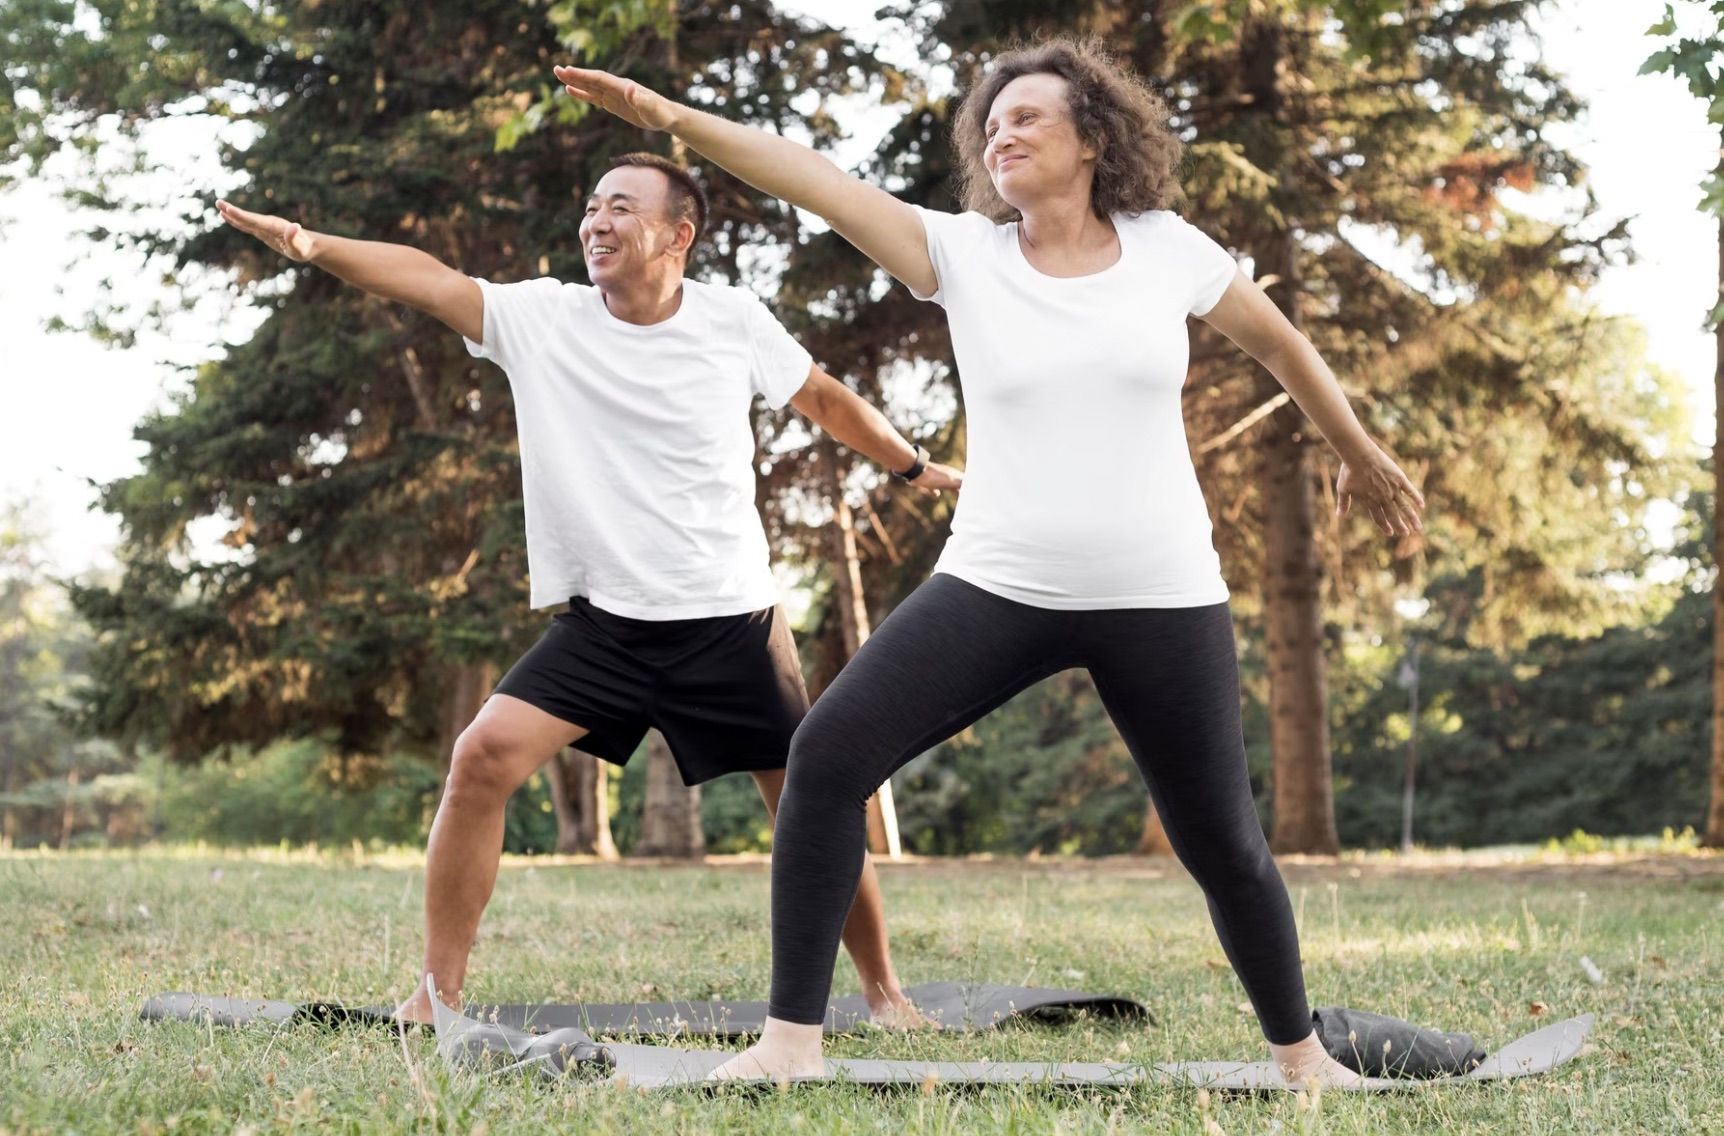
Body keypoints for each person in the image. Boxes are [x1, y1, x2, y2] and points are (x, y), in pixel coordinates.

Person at [554, 37, 1425, 1087]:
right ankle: (790, 1044)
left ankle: (1299, 1058)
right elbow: (818, 180)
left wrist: (1356, 447)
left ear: (1093, 136)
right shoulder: (961, 254)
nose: (999, 135)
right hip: (999, 584)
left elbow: (1280, 343)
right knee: (826, 757)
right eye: (990, 124)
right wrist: (673, 119)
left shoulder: (1164, 247)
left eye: (1027, 119)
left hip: (1159, 592)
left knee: (1224, 842)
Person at [216, 149, 961, 1027]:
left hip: (730, 619)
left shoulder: (732, 320)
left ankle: (883, 993)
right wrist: (311, 244)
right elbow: (428, 280)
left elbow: (827, 400)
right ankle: (435, 994)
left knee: (809, 803)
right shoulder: (544, 318)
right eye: (591, 205)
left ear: (678, 236)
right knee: (480, 759)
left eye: (621, 207)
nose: (596, 222)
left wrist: (915, 468)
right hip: (606, 627)